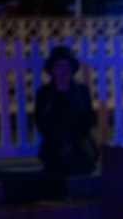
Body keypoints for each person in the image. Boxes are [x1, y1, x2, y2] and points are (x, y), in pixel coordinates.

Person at [35, 46, 98, 198]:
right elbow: (41, 122)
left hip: (78, 145)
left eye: (66, 66)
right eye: (59, 66)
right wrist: (59, 141)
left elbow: (87, 119)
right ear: (52, 69)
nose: (63, 71)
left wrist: (72, 141)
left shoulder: (81, 91)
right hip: (54, 146)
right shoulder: (44, 94)